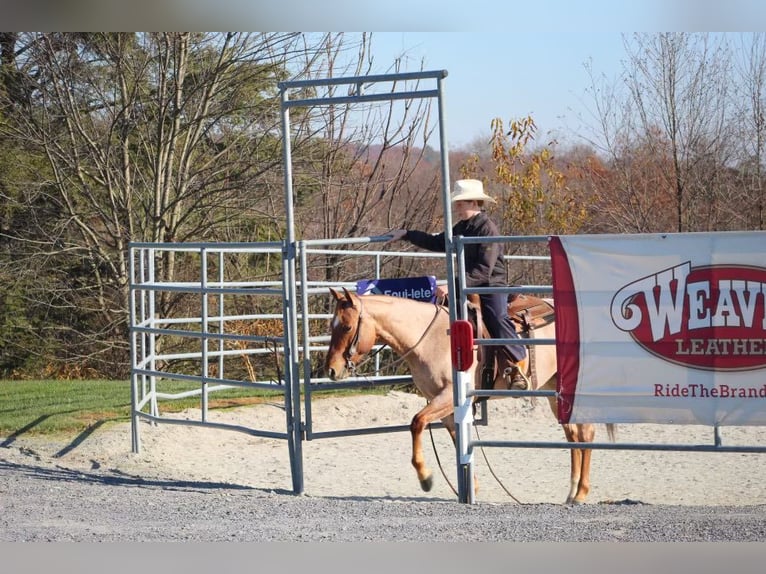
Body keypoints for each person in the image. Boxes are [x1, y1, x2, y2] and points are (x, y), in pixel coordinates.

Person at [387, 179, 528, 391]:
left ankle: (516, 364)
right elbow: (438, 242)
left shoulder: (487, 229)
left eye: (460, 202)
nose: (457, 206)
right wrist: (407, 235)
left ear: (473, 202)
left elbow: (483, 270)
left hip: (490, 285)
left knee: (497, 318)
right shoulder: (464, 227)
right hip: (467, 283)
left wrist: (452, 284)